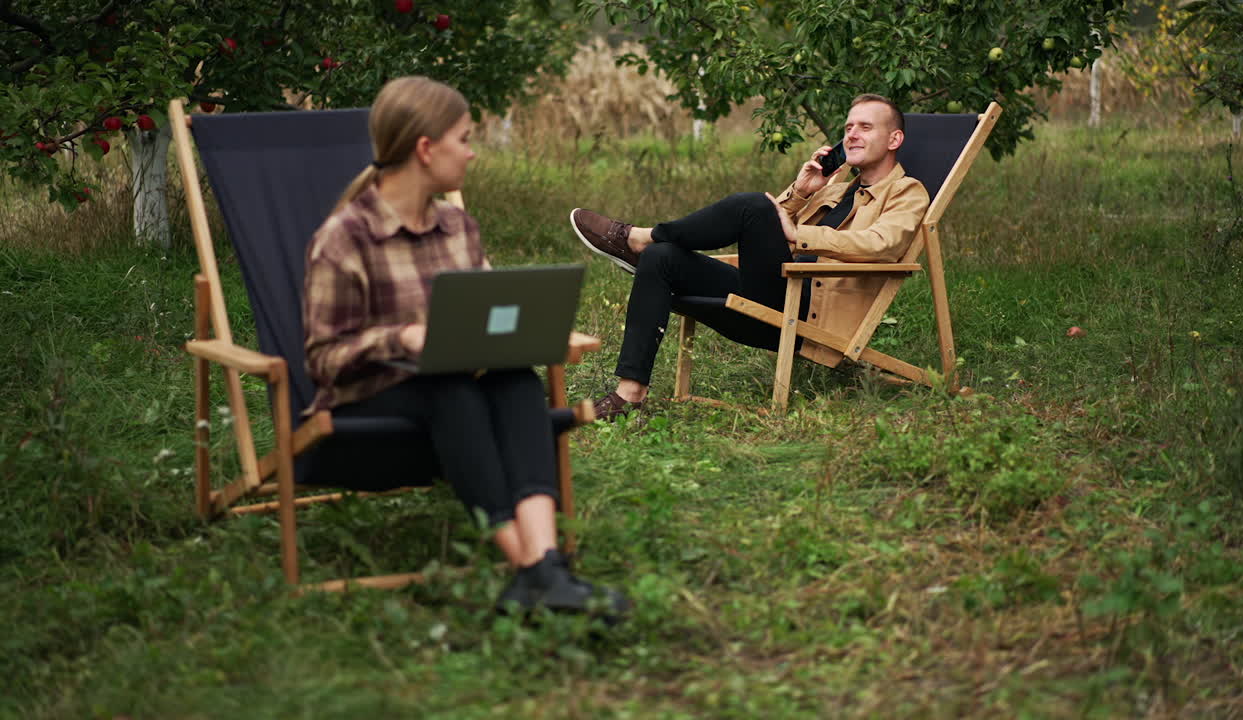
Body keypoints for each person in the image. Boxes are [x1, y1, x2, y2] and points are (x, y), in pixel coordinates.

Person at [303, 76, 627, 619]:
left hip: (456, 398)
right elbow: (322, 359)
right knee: (449, 387)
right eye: (464, 139)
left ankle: (545, 566)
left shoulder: (457, 227)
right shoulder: (344, 239)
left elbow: (488, 314)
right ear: (426, 149)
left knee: (515, 378)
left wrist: (521, 329)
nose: (473, 152)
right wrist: (402, 337)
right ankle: (531, 570)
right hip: (365, 416)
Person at [570, 94, 930, 420]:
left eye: (865, 127)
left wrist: (800, 235)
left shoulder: (907, 192)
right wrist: (801, 192)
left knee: (753, 205)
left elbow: (882, 244)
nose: (851, 135)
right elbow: (775, 227)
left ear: (894, 139)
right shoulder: (834, 189)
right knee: (662, 257)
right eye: (848, 127)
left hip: (808, 314)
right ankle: (628, 395)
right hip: (777, 293)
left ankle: (638, 238)